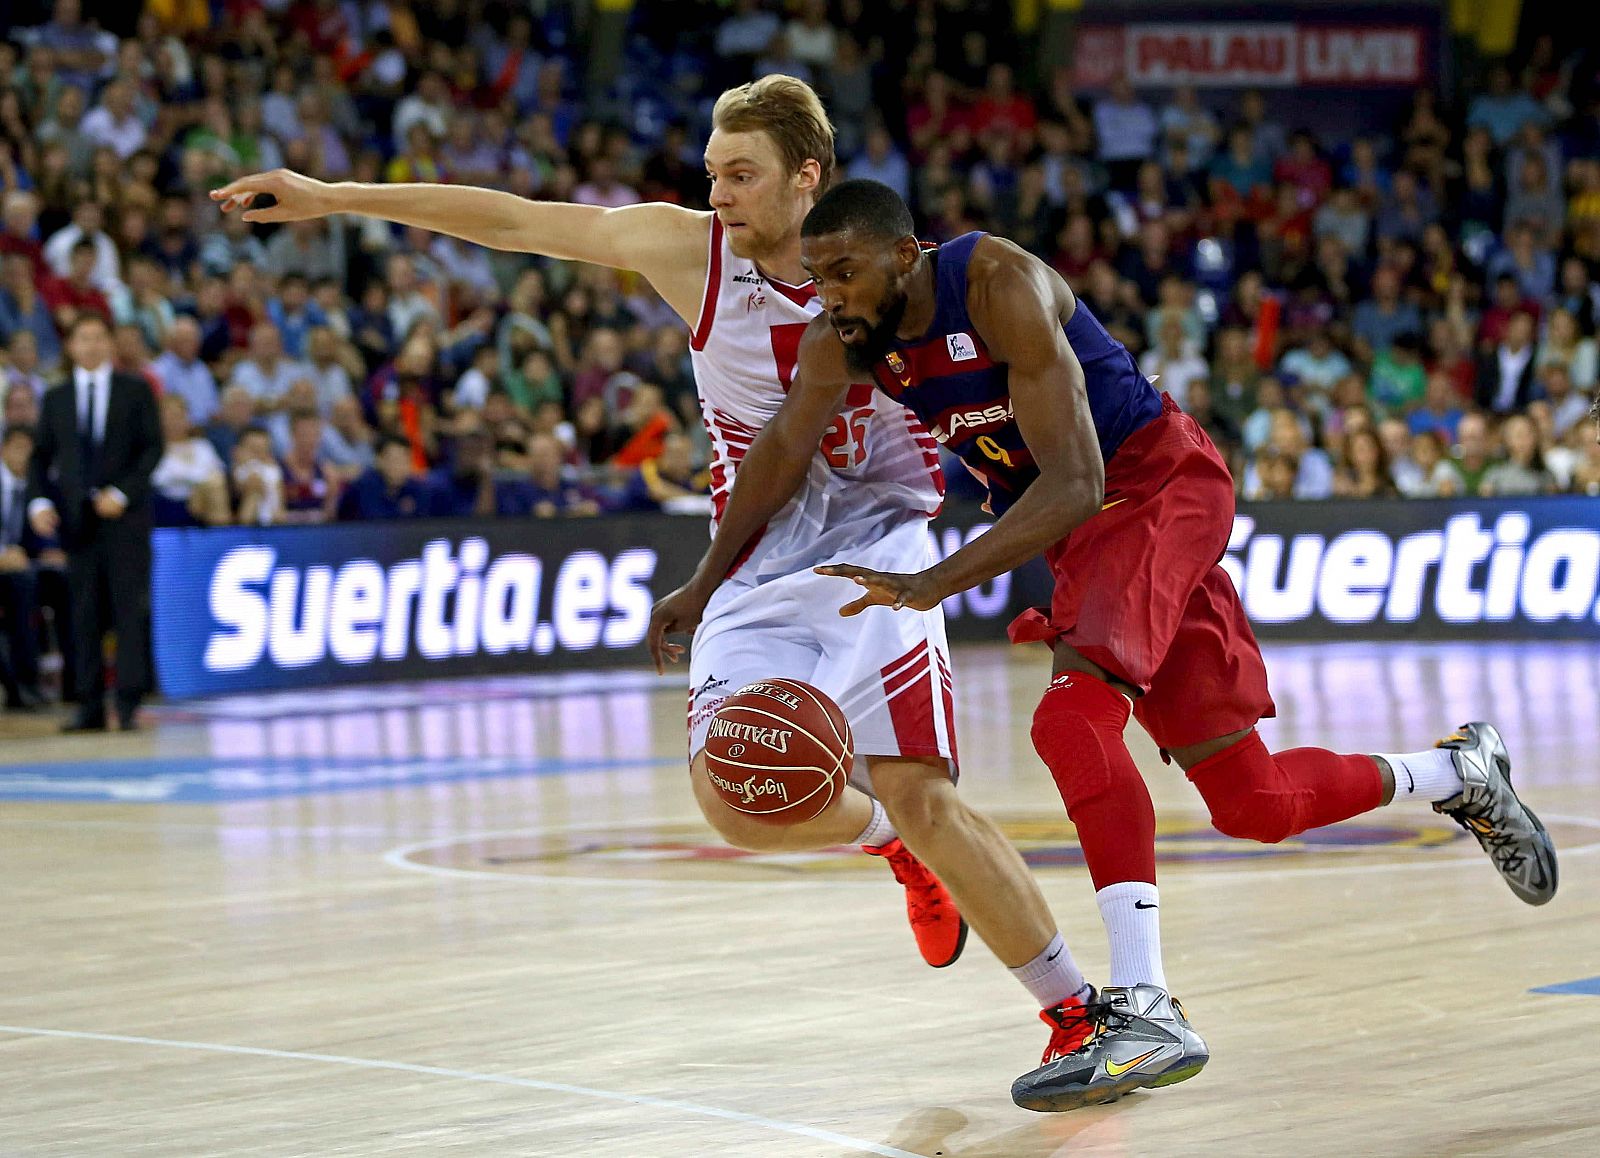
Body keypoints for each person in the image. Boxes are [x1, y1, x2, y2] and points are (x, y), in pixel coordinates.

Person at [212, 75, 1099, 1082]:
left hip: (882, 549)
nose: (717, 190)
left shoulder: (890, 268)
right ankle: (885, 848)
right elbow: (514, 220)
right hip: (753, 558)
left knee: (922, 789)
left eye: (741, 173)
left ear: (807, 176)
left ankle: (1073, 1012)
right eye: (712, 170)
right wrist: (333, 196)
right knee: (734, 800)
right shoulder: (689, 251)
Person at [691, 178, 1558, 1111]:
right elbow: (780, 448)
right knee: (1253, 802)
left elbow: (1074, 480)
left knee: (1071, 724)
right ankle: (1459, 773)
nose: (830, 295)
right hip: (1088, 530)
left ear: (905, 255)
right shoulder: (847, 338)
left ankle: (1142, 1010)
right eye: (817, 279)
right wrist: (703, 585)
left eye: (846, 272)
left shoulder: (994, 284)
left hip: (1150, 484)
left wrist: (932, 582)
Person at [26, 314, 162, 731]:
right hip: (76, 523)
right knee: (82, 613)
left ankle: (127, 701)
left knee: (126, 610)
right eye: (83, 338)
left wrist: (121, 494)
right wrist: (38, 503)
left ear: (110, 343)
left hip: (124, 522)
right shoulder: (56, 397)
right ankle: (87, 703)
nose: (92, 345)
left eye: (99, 337)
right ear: (71, 346)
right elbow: (39, 457)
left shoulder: (135, 391)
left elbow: (151, 450)